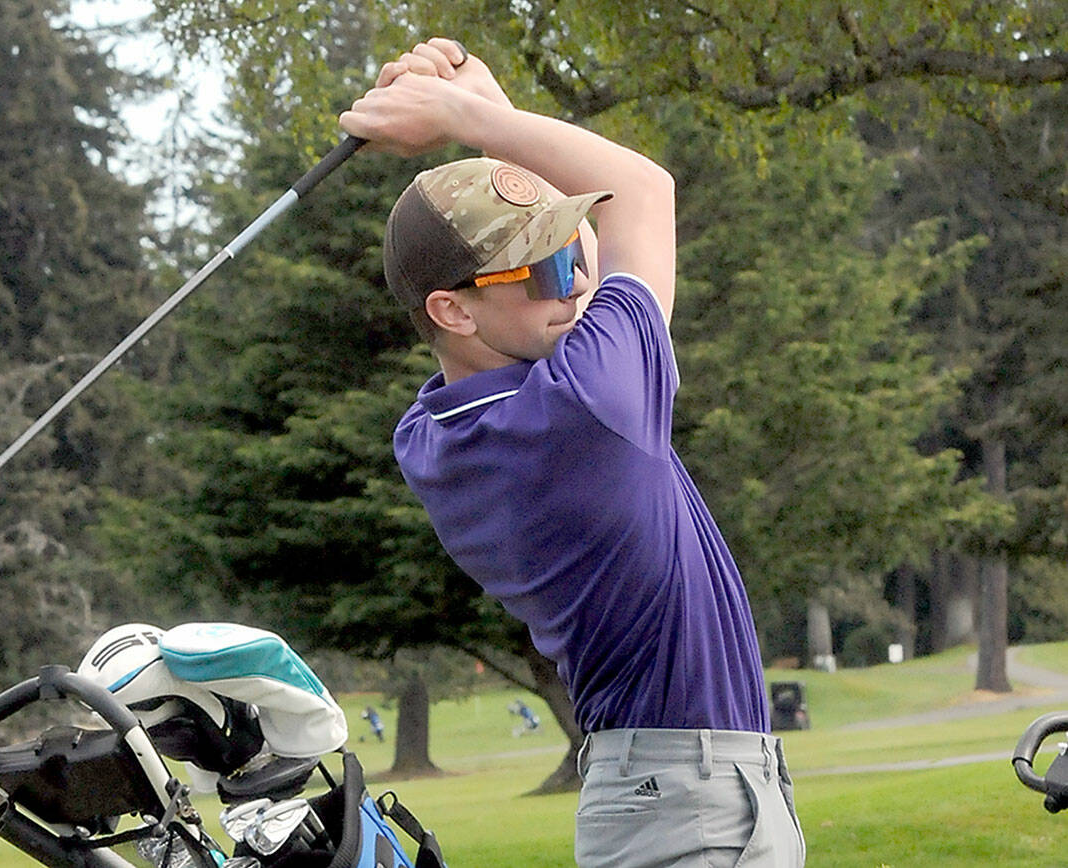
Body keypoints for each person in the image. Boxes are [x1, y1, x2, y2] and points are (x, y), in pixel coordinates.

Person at [340, 38, 805, 867]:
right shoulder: (584, 407)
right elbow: (645, 193)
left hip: (672, 797)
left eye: (565, 252)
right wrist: (463, 116)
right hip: (688, 808)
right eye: (543, 267)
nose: (576, 281)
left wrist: (491, 118)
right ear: (451, 311)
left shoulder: (434, 432)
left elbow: (594, 243)